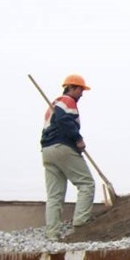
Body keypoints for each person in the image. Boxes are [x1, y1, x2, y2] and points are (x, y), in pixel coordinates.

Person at [40, 74, 96, 240]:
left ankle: (52, 234)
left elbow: (57, 121)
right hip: (62, 146)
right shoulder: (67, 101)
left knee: (54, 196)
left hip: (47, 150)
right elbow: (64, 120)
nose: (82, 94)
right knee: (86, 183)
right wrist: (78, 139)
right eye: (80, 89)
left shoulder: (54, 105)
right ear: (71, 87)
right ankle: (80, 224)